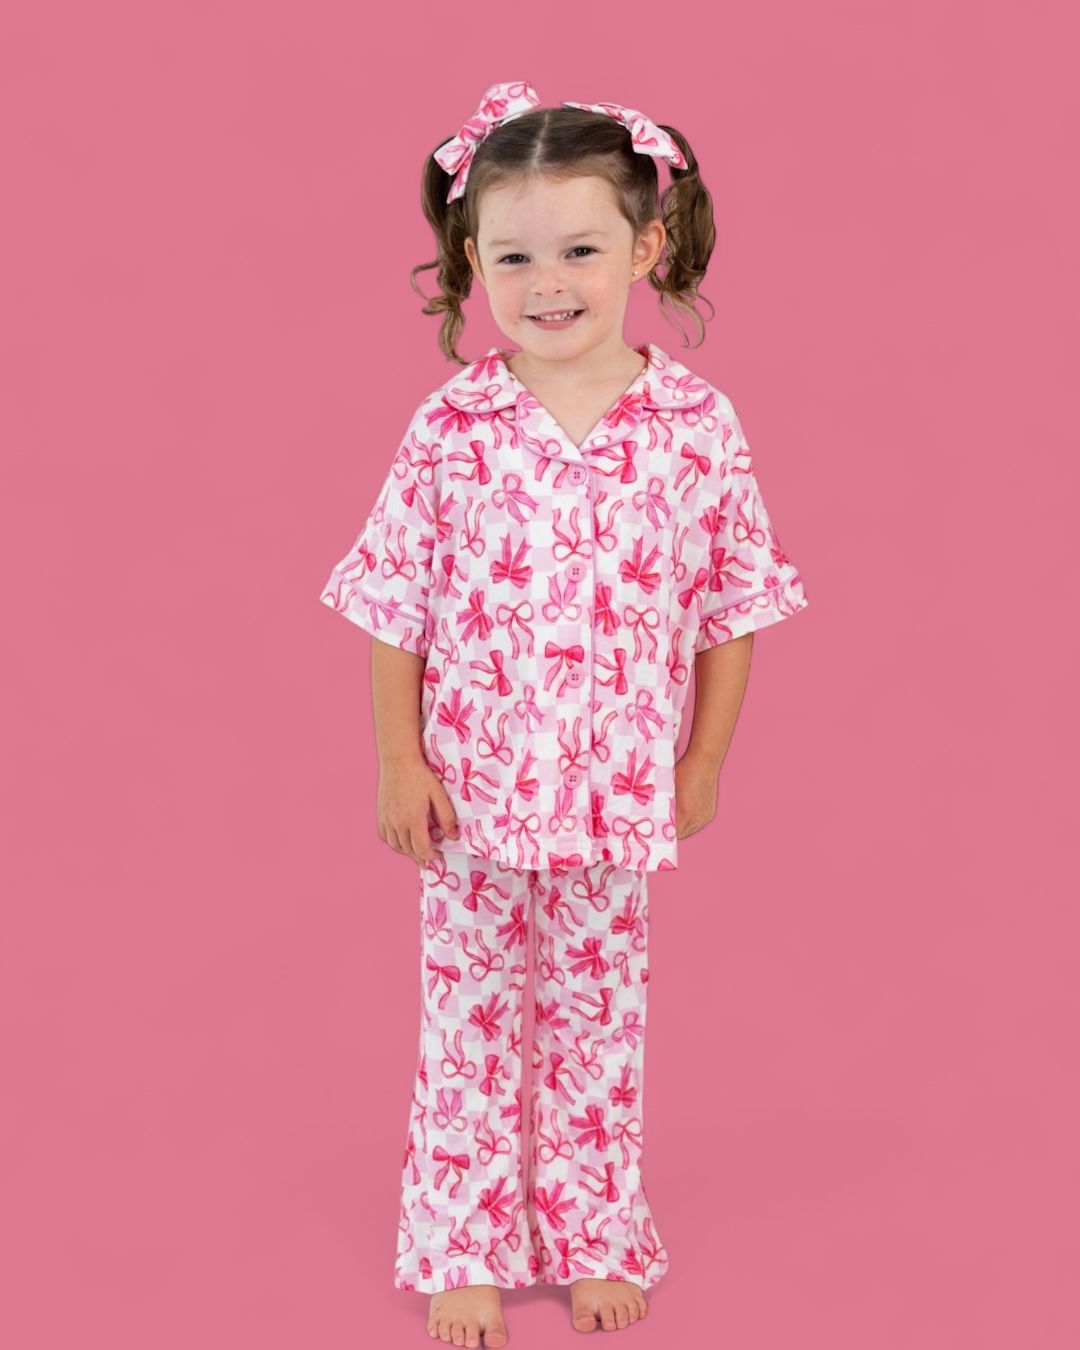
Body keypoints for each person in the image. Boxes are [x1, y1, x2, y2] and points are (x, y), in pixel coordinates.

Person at [319, 80, 810, 1346]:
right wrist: (398, 760)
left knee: (598, 1022)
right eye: (514, 257)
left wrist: (704, 757)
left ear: (645, 248)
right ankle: (464, 1246)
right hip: (472, 797)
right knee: (468, 1021)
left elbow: (733, 604)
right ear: (471, 262)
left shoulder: (697, 429)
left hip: (614, 793)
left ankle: (595, 1234)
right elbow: (396, 604)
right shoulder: (452, 429)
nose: (549, 284)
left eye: (581, 250)